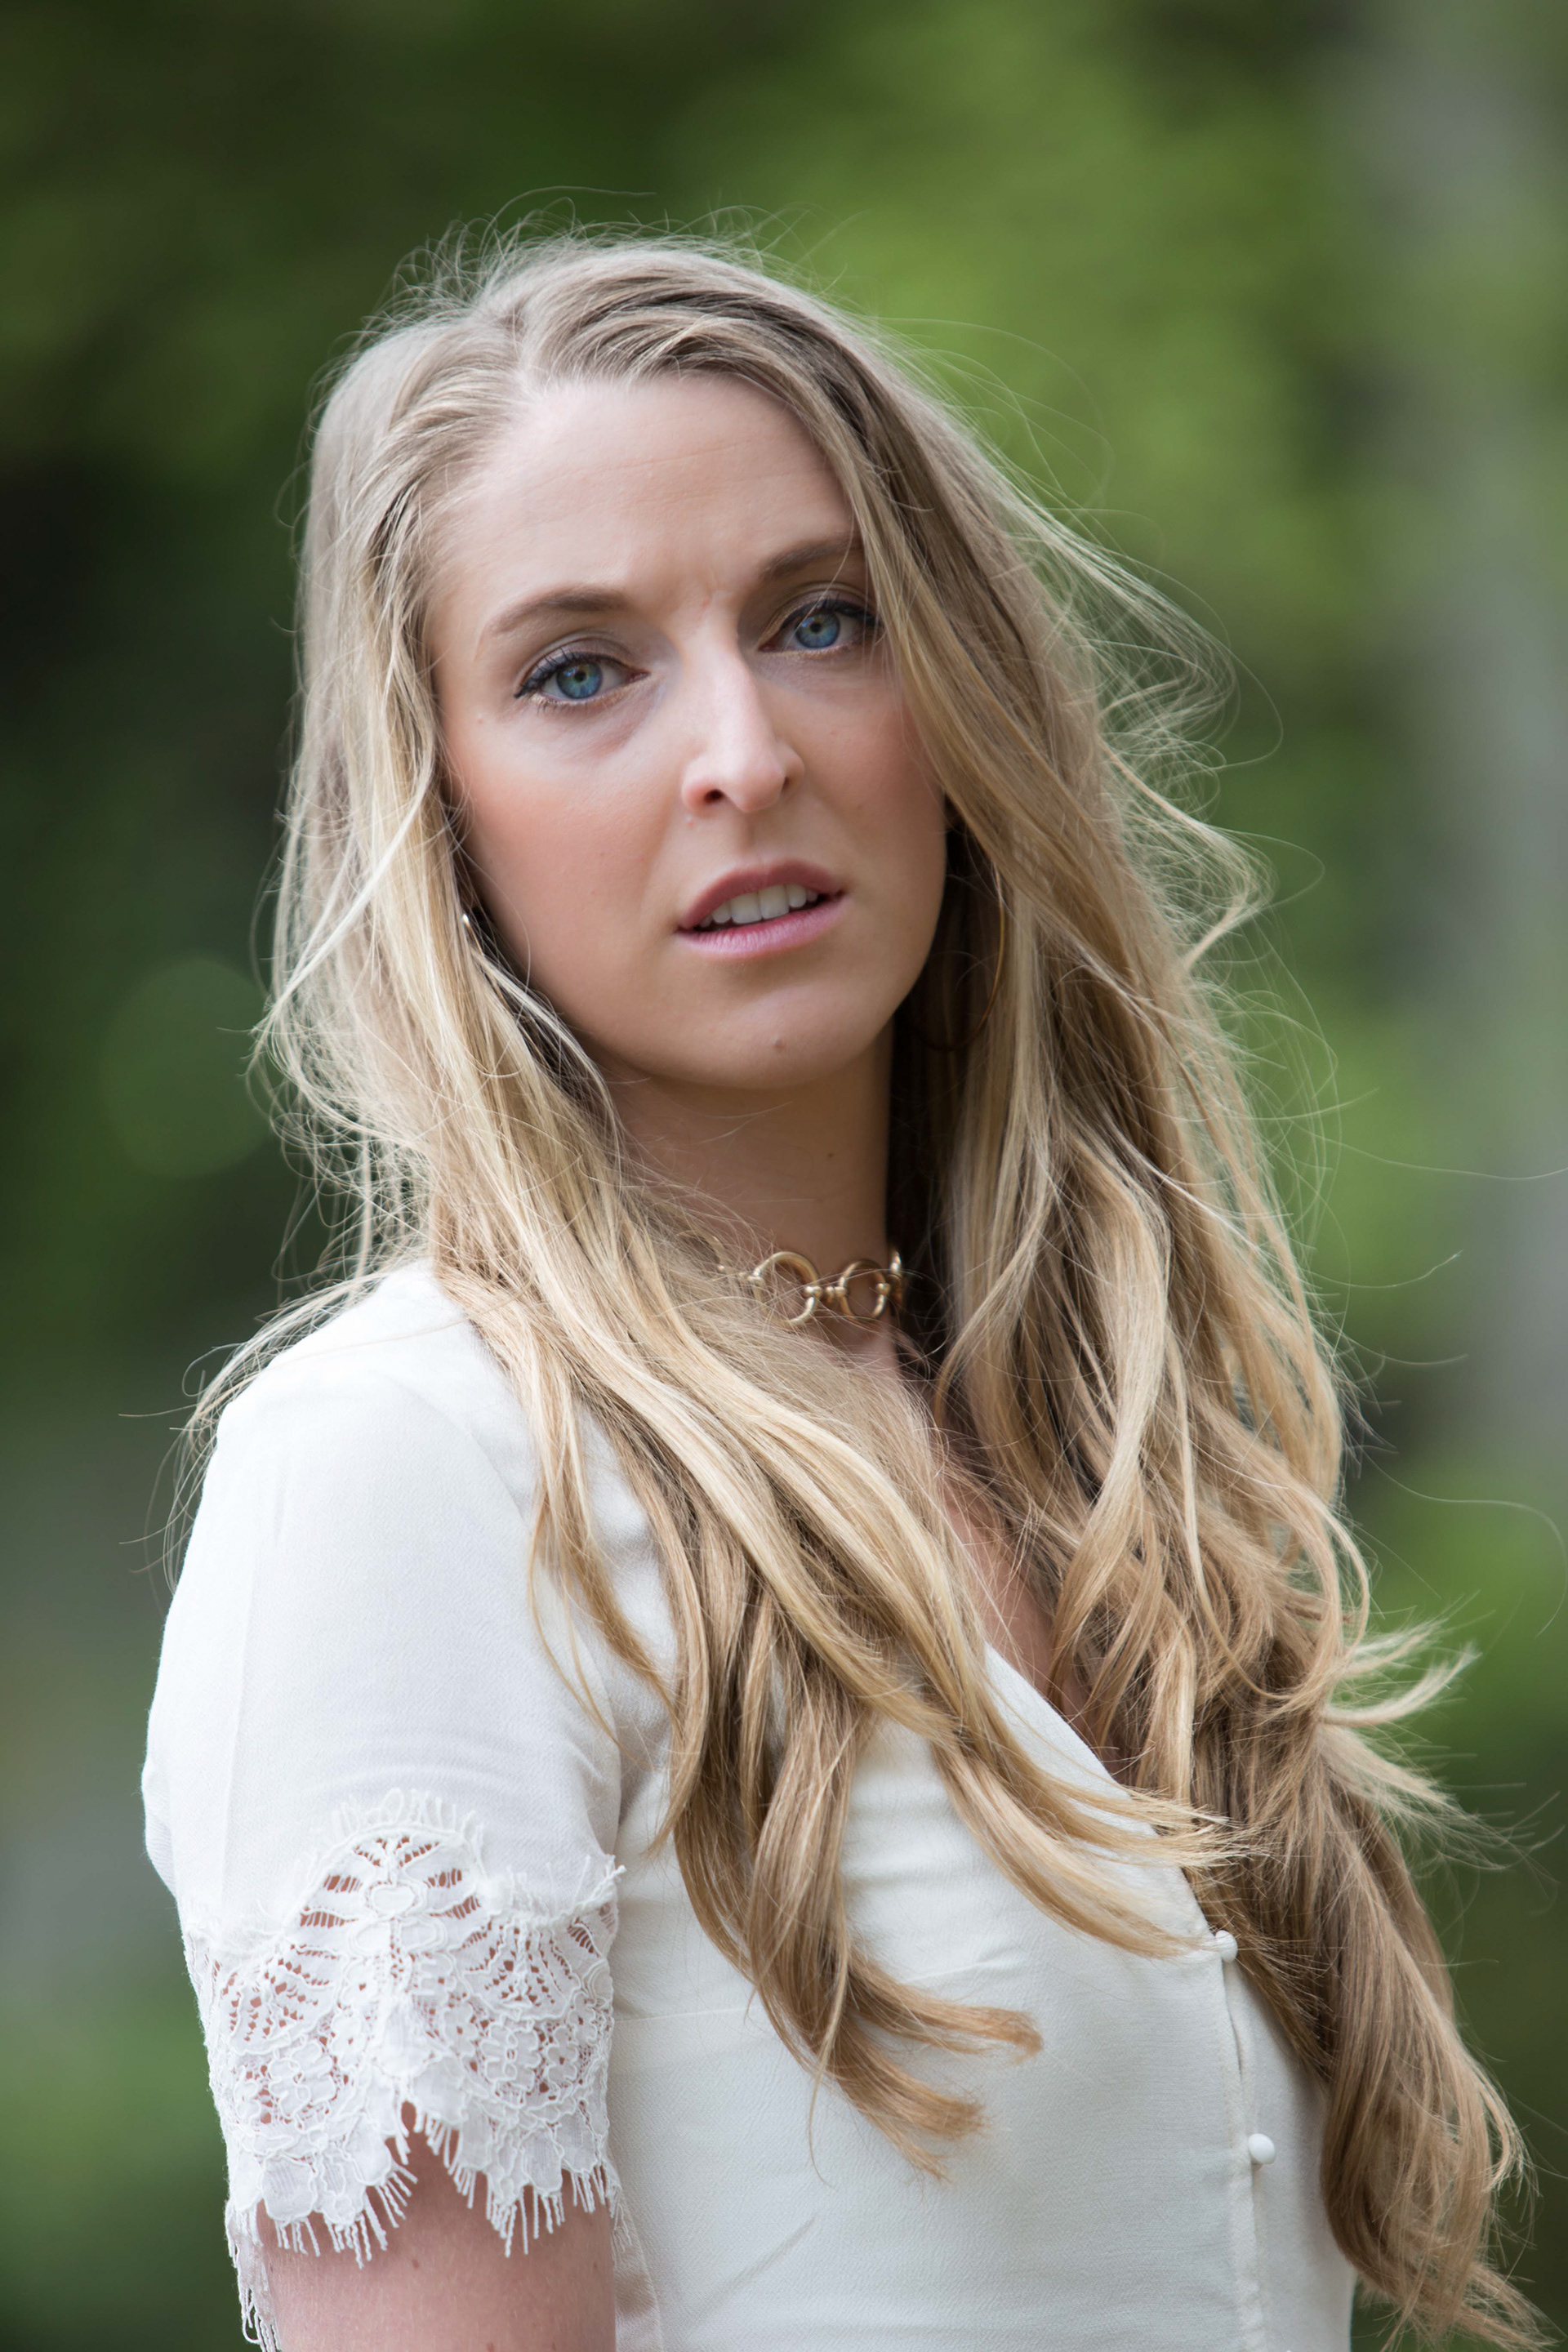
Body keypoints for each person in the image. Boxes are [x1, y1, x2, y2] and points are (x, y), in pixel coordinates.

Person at [141, 231, 1534, 2352]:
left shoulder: (1079, 1437)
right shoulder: (405, 1469)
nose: (743, 753)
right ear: (439, 813)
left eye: (821, 621)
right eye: (580, 673)